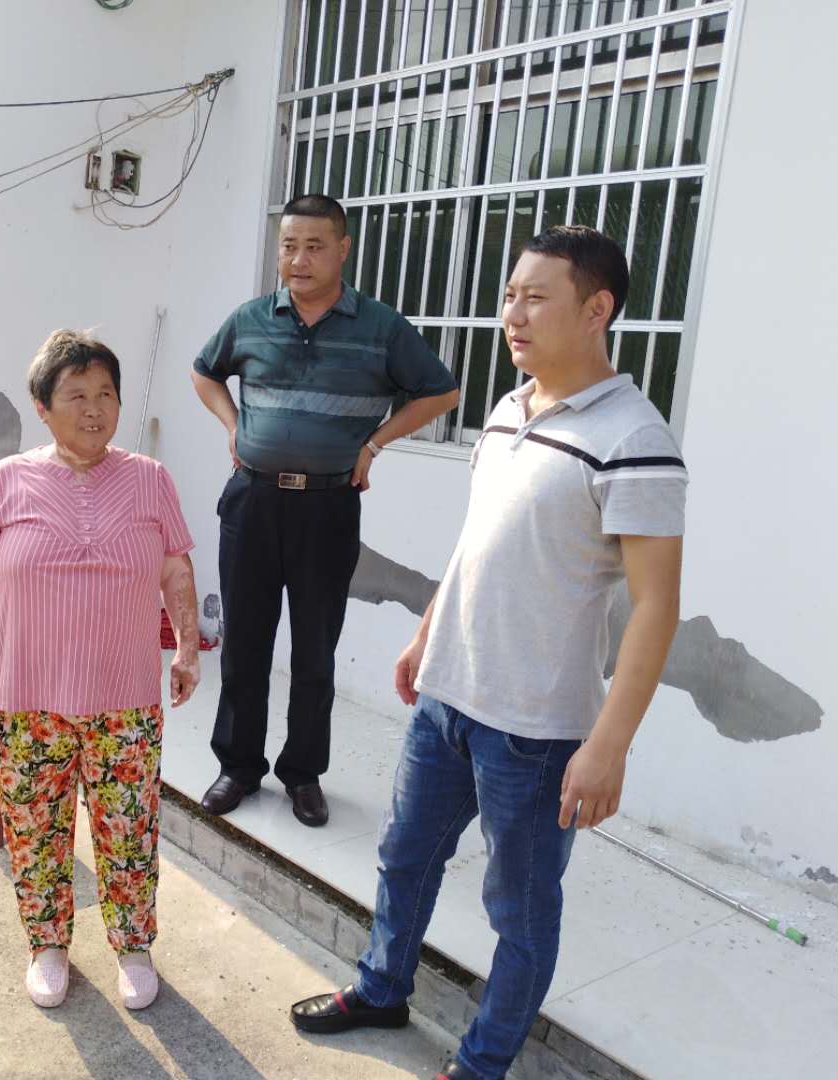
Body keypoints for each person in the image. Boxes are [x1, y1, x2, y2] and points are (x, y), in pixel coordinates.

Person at [288, 226, 687, 1079]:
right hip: (447, 698)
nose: (512, 314)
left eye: (535, 298)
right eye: (509, 294)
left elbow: (656, 607)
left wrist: (607, 746)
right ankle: (381, 989)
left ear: (596, 310)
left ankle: (481, 1064)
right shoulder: (509, 408)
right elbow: (480, 541)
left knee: (519, 911)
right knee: (404, 857)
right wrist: (427, 631)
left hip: (535, 734)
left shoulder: (634, 437)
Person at [0, 329, 201, 1012]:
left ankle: (134, 948)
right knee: (36, 833)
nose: (94, 409)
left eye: (106, 394)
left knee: (128, 834)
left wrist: (187, 649)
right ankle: (47, 946)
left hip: (125, 701)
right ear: (42, 406)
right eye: (76, 395)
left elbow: (175, 570)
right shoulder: (3, 483)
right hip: (29, 700)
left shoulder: (150, 480)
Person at [190, 193, 459, 827]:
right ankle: (238, 766)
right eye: (289, 246)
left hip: (328, 506)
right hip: (252, 501)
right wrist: (232, 424)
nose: (299, 259)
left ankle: (303, 773)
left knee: (315, 648)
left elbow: (441, 391)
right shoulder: (251, 320)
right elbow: (204, 372)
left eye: (314, 246)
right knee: (245, 643)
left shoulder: (380, 328)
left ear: (343, 249)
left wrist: (374, 443)